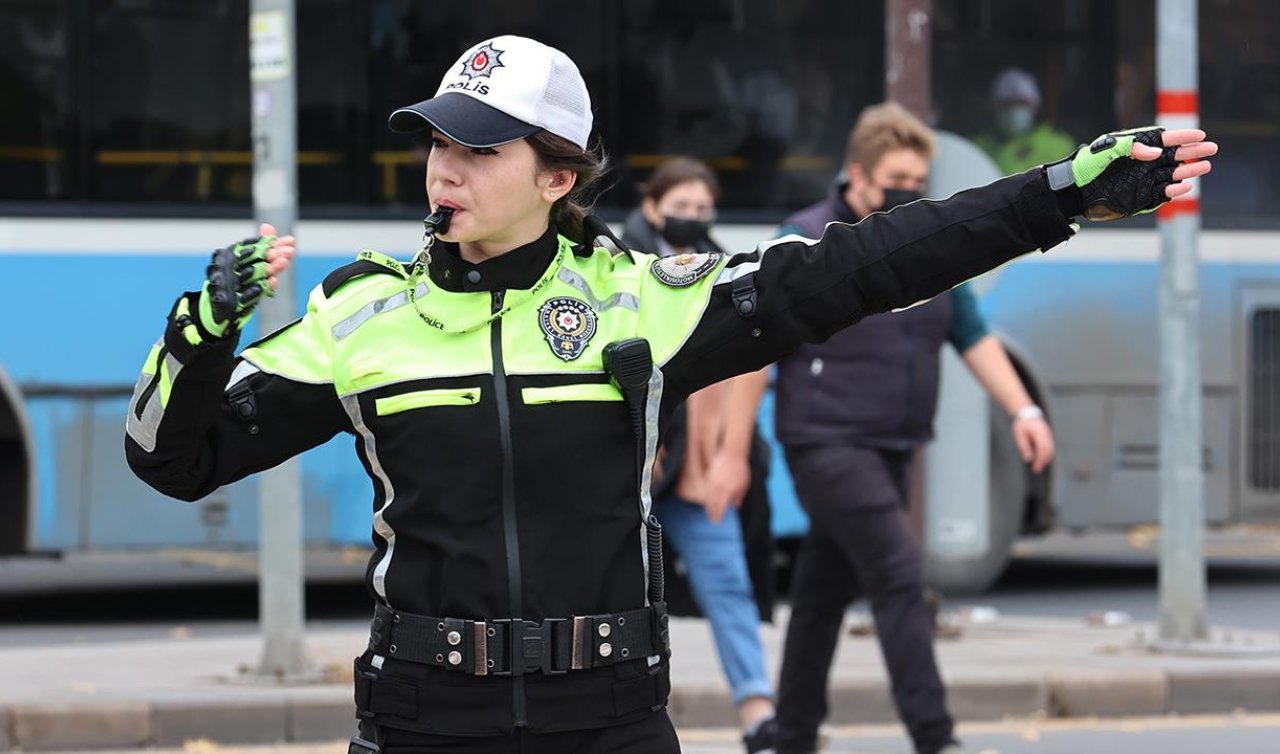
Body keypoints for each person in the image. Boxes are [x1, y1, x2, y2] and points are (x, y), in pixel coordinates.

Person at [122, 31, 1214, 754]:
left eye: (476, 146)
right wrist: (201, 333)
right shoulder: (362, 315)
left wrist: (1055, 197)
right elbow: (173, 459)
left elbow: (867, 262)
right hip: (422, 719)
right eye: (432, 143)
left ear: (558, 176)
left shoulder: (643, 298)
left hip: (607, 717)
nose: (440, 167)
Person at [771, 101, 1060, 754]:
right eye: (895, 178)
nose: (908, 191)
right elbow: (751, 344)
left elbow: (971, 333)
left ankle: (791, 736)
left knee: (821, 592)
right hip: (825, 441)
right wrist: (726, 452)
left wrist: (1025, 410)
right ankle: (936, 737)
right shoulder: (805, 237)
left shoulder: (926, 249)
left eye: (918, 181)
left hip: (895, 441)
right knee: (900, 573)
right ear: (856, 174)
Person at [621, 157, 778, 752]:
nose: (690, 219)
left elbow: (742, 366)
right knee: (616, 595)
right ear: (652, 204)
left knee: (727, 580)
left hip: (691, 467)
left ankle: (758, 708)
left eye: (701, 210)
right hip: (632, 467)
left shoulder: (718, 267)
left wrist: (724, 458)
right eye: (679, 207)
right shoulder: (618, 258)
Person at [973, 67, 1078, 176]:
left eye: (1021, 103)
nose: (1013, 110)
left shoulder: (1058, 145)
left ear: (1035, 106)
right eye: (1006, 104)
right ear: (993, 108)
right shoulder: (978, 147)